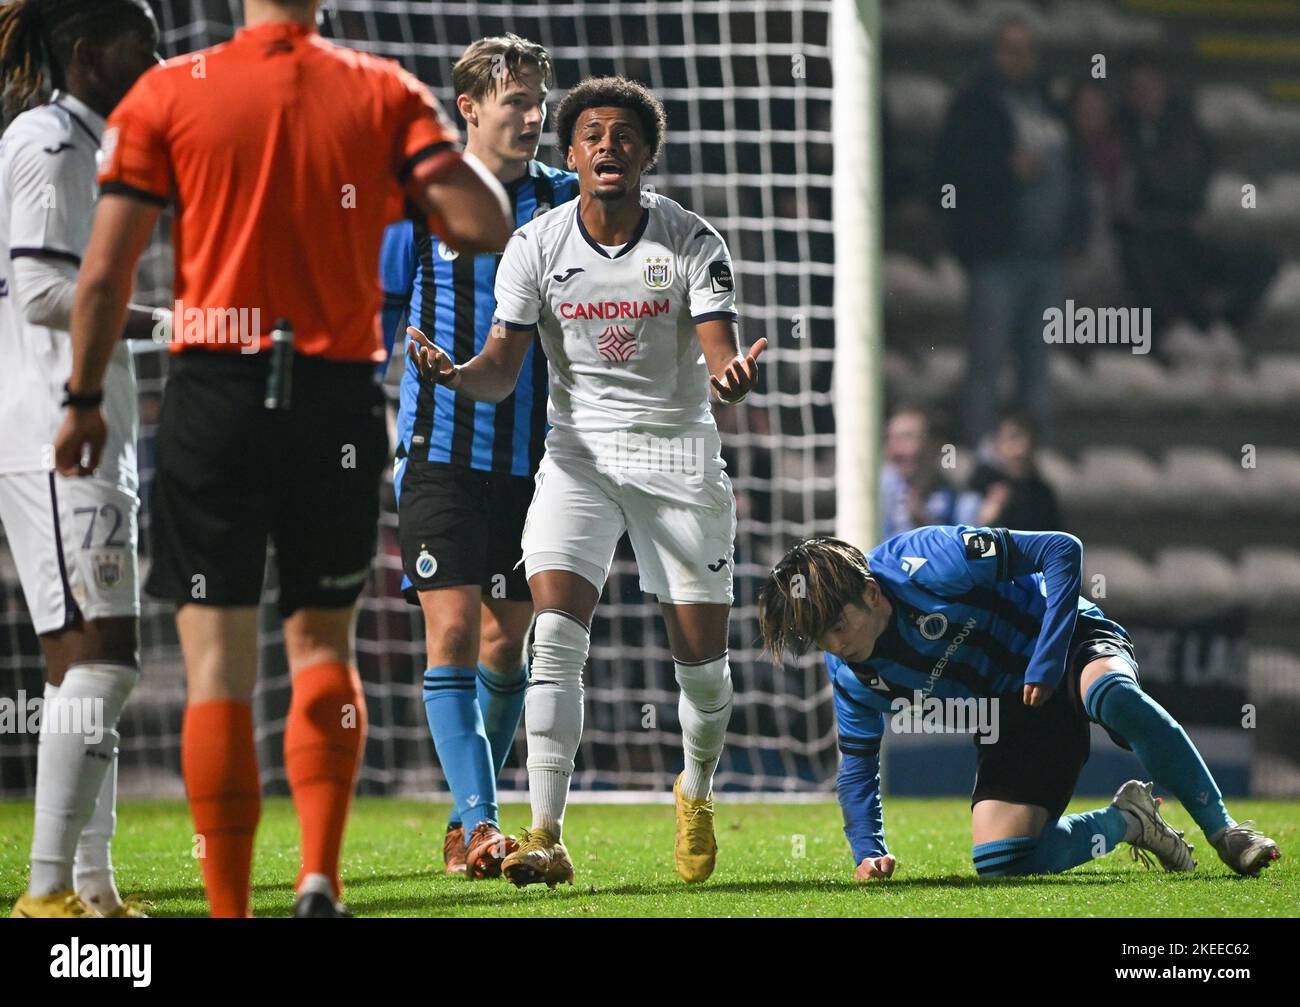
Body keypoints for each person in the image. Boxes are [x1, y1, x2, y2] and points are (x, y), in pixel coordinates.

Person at [53, 0, 513, 917]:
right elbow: (482, 220)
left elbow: (102, 275)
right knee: (320, 648)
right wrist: (386, 173)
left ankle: (228, 906)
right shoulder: (379, 89)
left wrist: (82, 399)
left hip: (213, 395)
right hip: (333, 401)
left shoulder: (167, 94)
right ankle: (318, 882)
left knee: (217, 665)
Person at [407, 76, 763, 887]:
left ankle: (696, 788)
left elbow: (718, 354)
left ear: (646, 153)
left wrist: (731, 378)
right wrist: (457, 375)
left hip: (677, 460)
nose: (608, 144)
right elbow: (501, 370)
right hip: (578, 459)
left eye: (623, 135)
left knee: (702, 669)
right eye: (591, 134)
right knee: (556, 637)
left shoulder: (691, 241)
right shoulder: (534, 244)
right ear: (570, 157)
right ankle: (544, 832)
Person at [758, 530, 1281, 881]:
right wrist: (867, 850)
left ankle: (1225, 830)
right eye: (818, 638)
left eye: (837, 627)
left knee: (1111, 694)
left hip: (1064, 638)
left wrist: (1048, 660)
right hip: (1013, 707)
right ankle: (1130, 821)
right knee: (1001, 861)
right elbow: (856, 768)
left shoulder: (933, 559)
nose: (834, 646)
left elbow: (1060, 549)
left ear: (871, 593)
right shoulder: (854, 675)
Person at [379, 34, 579, 879]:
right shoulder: (420, 202)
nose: (534, 118)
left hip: (534, 464)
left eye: (540, 103)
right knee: (454, 630)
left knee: (509, 647)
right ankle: (481, 817)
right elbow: (380, 318)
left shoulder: (563, 199)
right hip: (439, 455)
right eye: (517, 103)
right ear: (469, 107)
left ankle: (473, 821)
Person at [0, 0, 162, 920]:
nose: (159, 53)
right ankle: (46, 888)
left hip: (84, 425)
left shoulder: (87, 141)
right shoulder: (53, 140)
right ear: (89, 52)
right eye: (142, 38)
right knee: (101, 660)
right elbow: (43, 290)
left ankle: (92, 889)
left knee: (87, 668)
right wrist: (174, 323)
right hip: (53, 427)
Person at [935, 17, 1089, 445]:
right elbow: (949, 174)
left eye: (1026, 49)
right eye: (1010, 49)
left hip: (1047, 257)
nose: (1019, 58)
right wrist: (1006, 170)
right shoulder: (974, 104)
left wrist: (1076, 232)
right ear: (994, 53)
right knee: (988, 360)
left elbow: (1076, 174)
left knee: (1037, 363)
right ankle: (983, 450)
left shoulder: (1050, 104)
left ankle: (1031, 452)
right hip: (996, 257)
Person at [955, 408, 1061, 531]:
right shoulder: (982, 482)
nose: (1022, 447)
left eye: (1029, 439)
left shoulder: (1042, 493)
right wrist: (989, 513)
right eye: (1014, 438)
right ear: (998, 443)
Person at [879, 404, 959, 538]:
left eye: (906, 437)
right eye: (890, 438)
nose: (894, 447)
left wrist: (922, 523)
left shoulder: (952, 495)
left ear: (932, 444)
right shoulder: (877, 489)